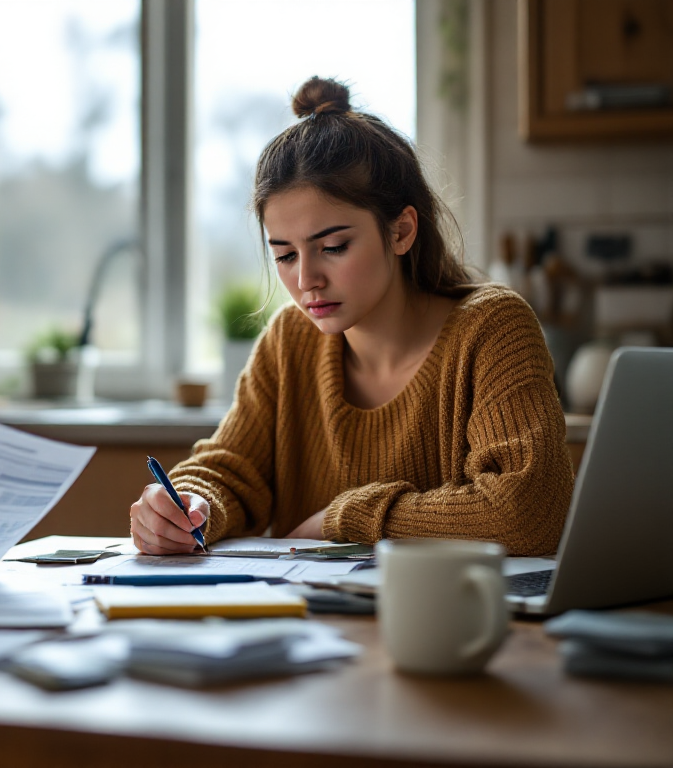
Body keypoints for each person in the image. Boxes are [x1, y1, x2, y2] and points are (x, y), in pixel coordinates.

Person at [130, 77, 573, 558]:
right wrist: (189, 504)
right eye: (285, 255)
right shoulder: (290, 340)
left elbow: (526, 516)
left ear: (401, 230)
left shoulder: (492, 329)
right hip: (313, 628)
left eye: (334, 247)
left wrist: (342, 520)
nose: (307, 280)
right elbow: (230, 469)